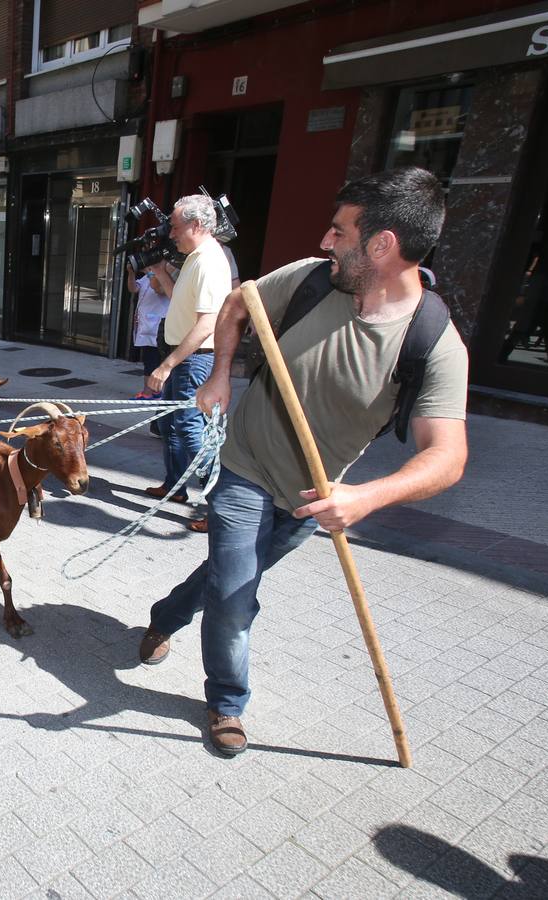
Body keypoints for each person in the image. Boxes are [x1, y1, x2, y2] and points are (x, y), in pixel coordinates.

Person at [138, 167, 469, 756]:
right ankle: (227, 702)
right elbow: (239, 304)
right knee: (237, 597)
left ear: (382, 244)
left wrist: (365, 498)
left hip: (314, 495)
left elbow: (447, 456)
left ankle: (166, 614)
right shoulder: (313, 283)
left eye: (340, 232)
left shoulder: (432, 339)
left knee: (229, 580)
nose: (325, 242)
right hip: (245, 466)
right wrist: (219, 377)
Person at [142, 196, 232, 524]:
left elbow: (207, 323)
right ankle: (175, 485)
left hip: (194, 358)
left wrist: (166, 365)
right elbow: (178, 294)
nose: (172, 234)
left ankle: (221, 506)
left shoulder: (209, 260)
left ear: (196, 225)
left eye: (176, 227)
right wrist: (157, 271)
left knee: (191, 428)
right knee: (171, 424)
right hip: (181, 355)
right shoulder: (195, 257)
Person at [126, 261, 171, 398]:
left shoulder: (165, 277)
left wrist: (150, 272)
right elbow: (133, 288)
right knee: (150, 360)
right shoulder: (147, 277)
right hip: (146, 327)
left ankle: (148, 393)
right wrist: (131, 273)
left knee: (153, 360)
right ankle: (155, 390)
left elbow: (159, 289)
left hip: (157, 327)